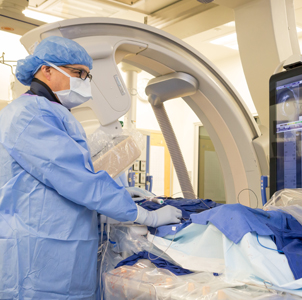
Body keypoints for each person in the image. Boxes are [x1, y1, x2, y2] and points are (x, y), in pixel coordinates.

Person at [0, 36, 182, 299]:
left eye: (87, 75)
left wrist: (120, 193)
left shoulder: (46, 111)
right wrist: (146, 216)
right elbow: (76, 180)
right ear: (46, 69)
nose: (84, 81)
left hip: (49, 246)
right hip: (39, 257)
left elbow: (65, 176)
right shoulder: (33, 115)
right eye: (78, 73)